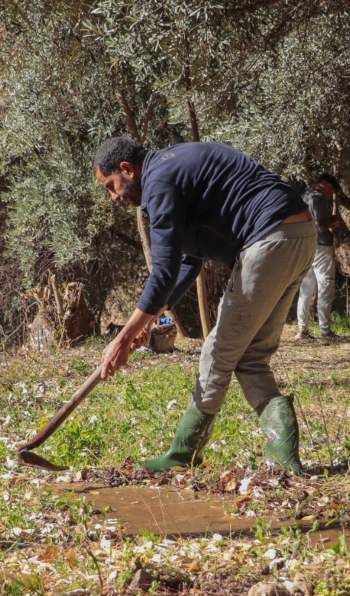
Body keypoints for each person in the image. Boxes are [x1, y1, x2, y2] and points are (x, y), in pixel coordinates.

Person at [93, 138, 315, 474]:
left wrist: (122, 339)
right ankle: (283, 458)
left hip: (268, 236)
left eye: (111, 186)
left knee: (217, 352)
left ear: (127, 169)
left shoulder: (159, 181)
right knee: (251, 356)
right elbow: (187, 262)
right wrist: (148, 320)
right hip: (299, 232)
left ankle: (183, 454)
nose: (113, 197)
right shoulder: (172, 168)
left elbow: (163, 271)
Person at [295, 174, 341, 340]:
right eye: (331, 192)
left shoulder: (304, 196)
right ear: (328, 186)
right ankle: (325, 330)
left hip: (305, 245)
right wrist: (332, 221)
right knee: (325, 285)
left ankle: (302, 329)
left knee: (305, 288)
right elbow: (321, 225)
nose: (329, 197)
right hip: (321, 246)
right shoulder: (318, 197)